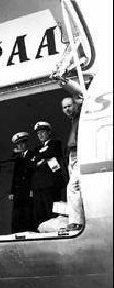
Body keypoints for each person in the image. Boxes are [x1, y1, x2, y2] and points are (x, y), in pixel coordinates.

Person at [30, 122, 67, 230]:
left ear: (49, 132)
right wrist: (42, 158)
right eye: (38, 133)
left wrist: (42, 157)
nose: (40, 135)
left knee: (52, 210)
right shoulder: (37, 148)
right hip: (39, 185)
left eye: (43, 132)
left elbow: (50, 153)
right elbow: (34, 160)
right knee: (40, 212)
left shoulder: (55, 143)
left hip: (51, 184)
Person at [61, 96, 85, 231]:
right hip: (72, 155)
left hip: (79, 153)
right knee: (74, 188)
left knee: (73, 187)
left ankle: (76, 222)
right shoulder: (73, 119)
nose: (67, 109)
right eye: (64, 107)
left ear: (76, 106)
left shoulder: (80, 115)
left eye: (69, 106)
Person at [8, 132, 35, 233]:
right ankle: (17, 233)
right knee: (17, 214)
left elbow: (33, 174)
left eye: (22, 143)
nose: (20, 146)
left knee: (28, 213)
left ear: (26, 143)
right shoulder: (18, 159)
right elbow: (15, 176)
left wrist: (32, 188)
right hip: (18, 191)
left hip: (28, 190)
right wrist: (12, 192)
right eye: (18, 144)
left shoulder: (32, 155)